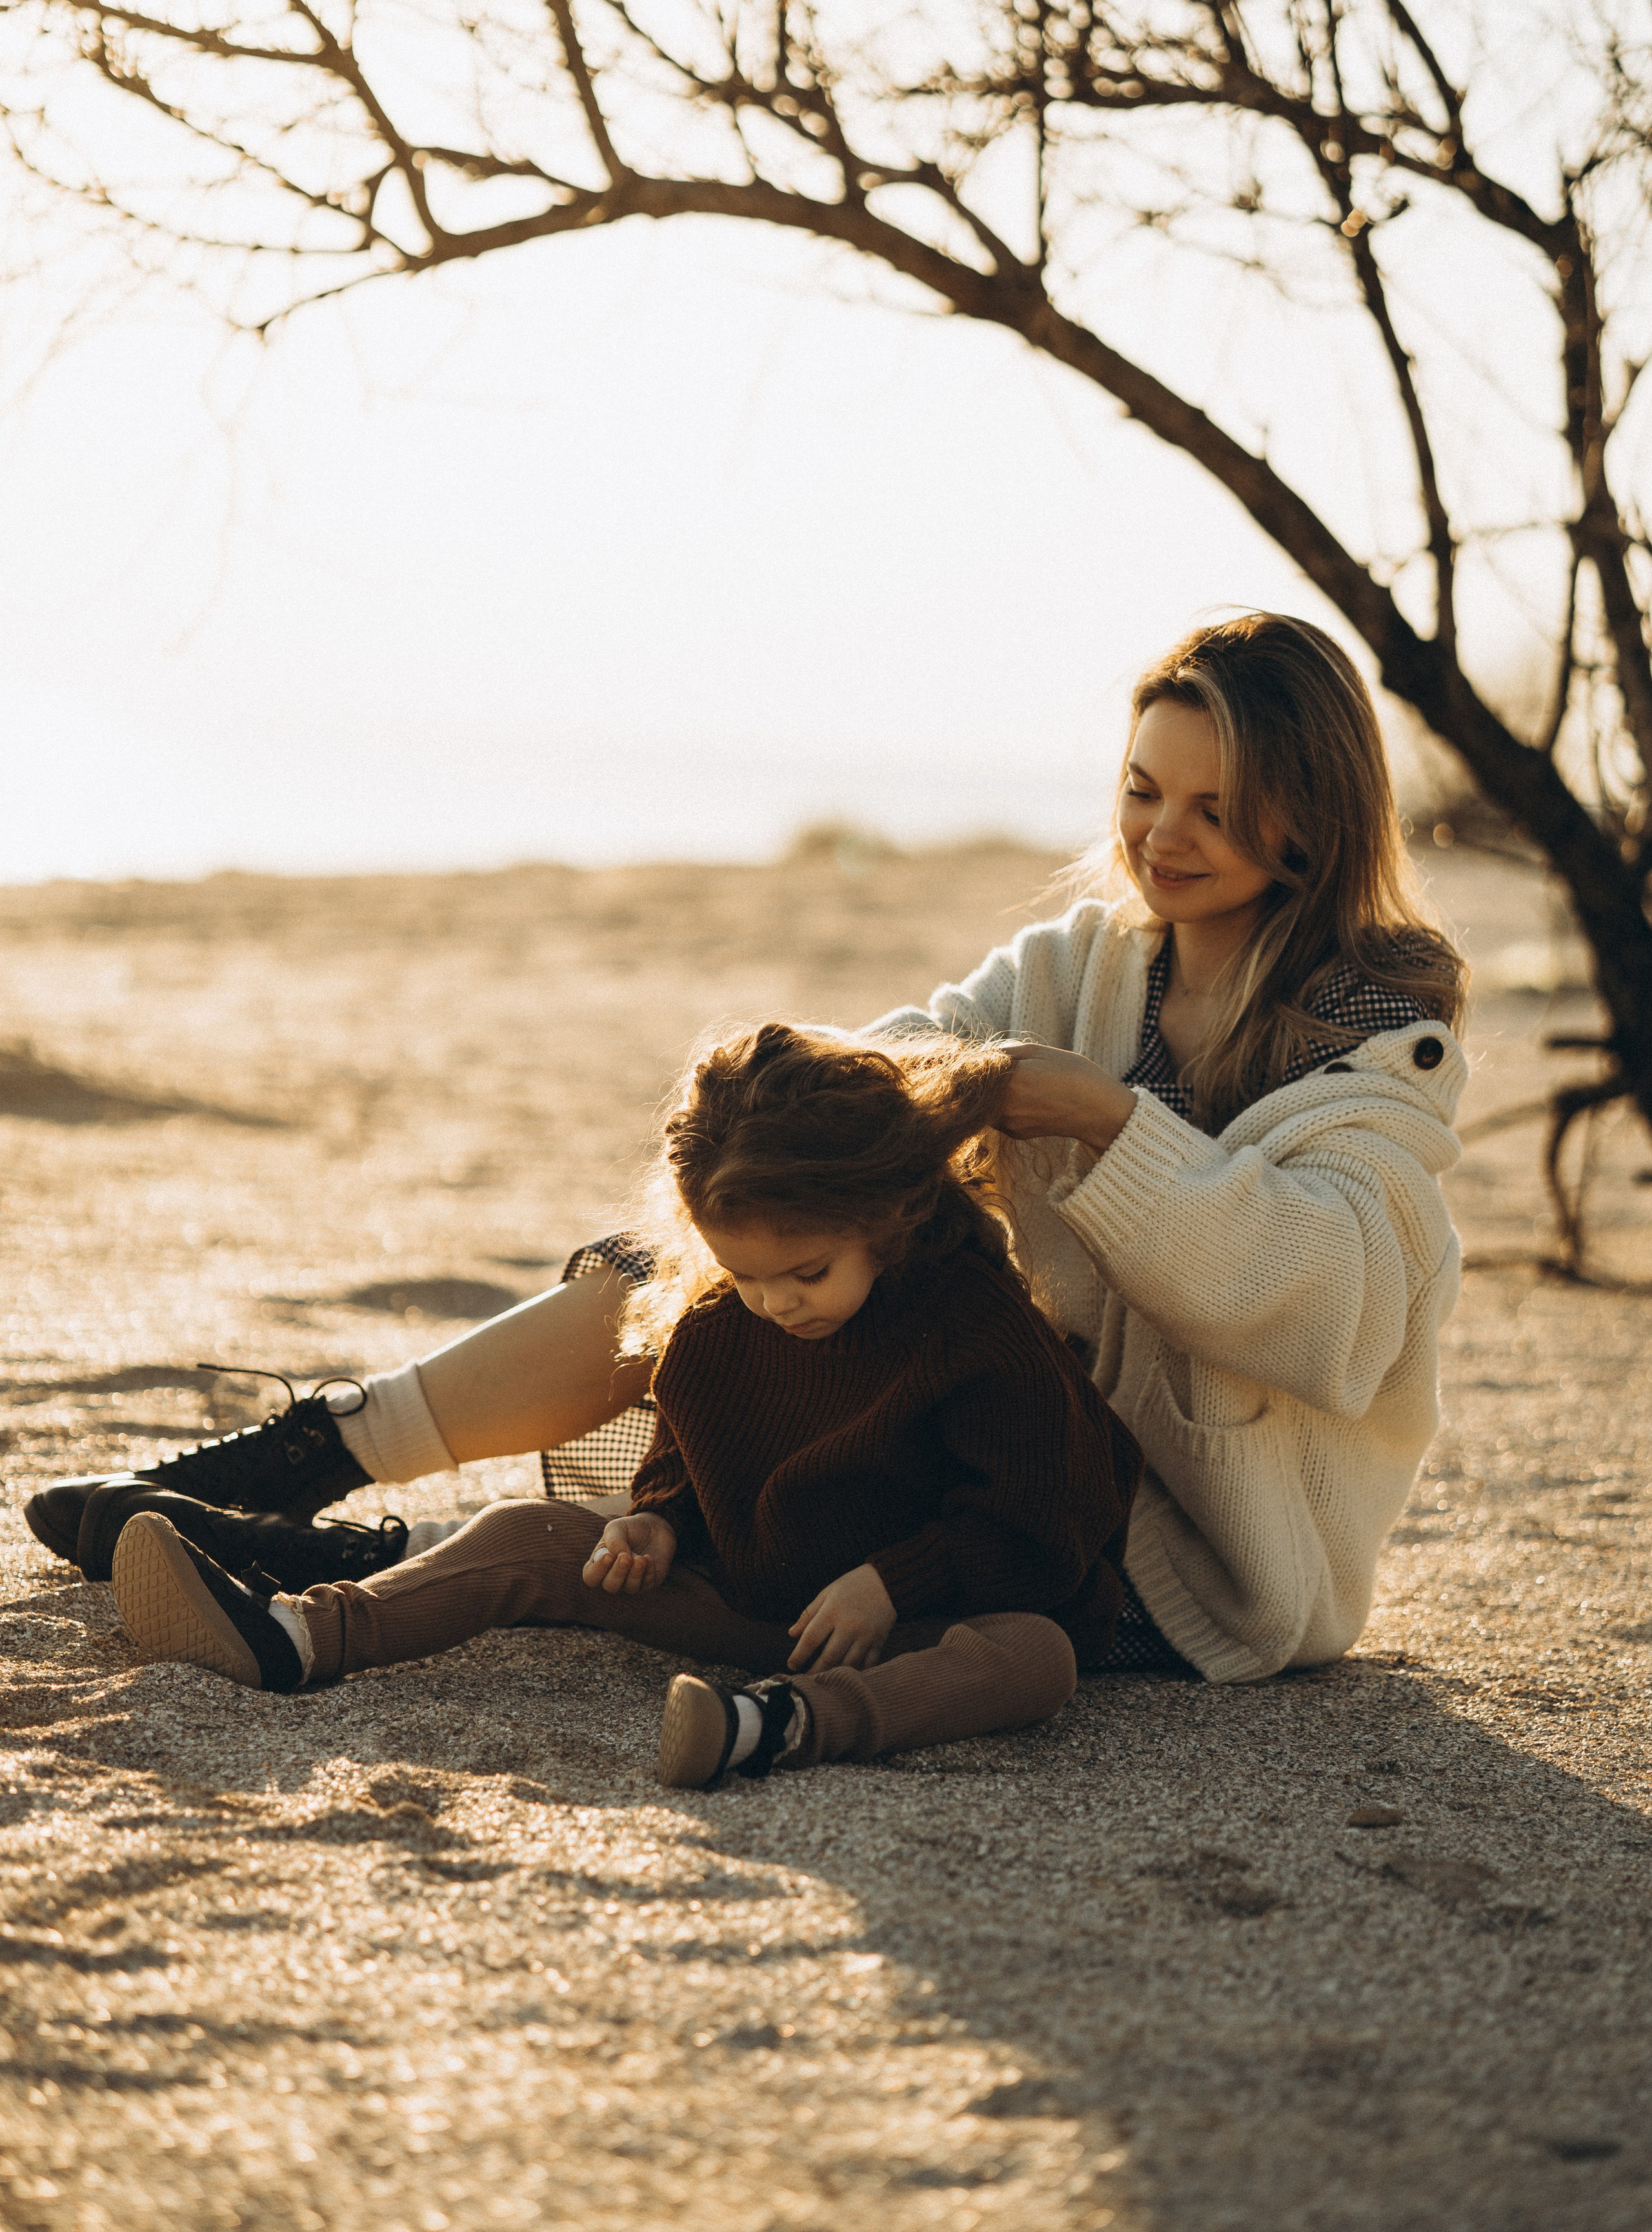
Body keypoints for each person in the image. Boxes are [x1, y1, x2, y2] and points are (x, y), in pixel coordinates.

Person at [34, 610, 1467, 1683]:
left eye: (1214, 808)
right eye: (1144, 790)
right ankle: (286, 1475)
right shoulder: (1089, 959)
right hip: (970, 1426)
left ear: (1309, 813)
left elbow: (1323, 1307)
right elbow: (874, 1063)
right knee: (732, 1253)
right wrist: (756, 1181)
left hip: (1149, 1545)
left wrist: (1092, 1114)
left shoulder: (1374, 1017)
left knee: (766, 1412)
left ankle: (342, 1571)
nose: (1162, 835)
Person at [109, 1025, 1142, 1788]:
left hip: (918, 1629)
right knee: (531, 1532)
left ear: (895, 1214)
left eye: (809, 1274)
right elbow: (692, 1462)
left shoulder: (977, 1324)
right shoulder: (711, 1323)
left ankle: (781, 1727)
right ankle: (302, 1636)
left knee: (1036, 1659)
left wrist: (891, 1583)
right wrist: (656, 1521)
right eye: (745, 1276)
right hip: (751, 1603)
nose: (777, 1303)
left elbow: (1046, 1524)